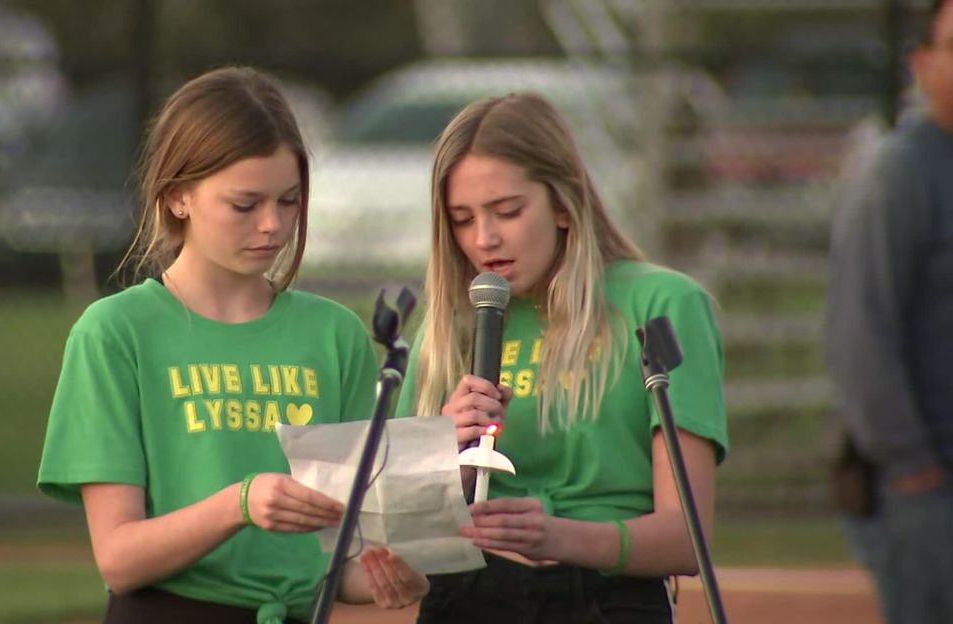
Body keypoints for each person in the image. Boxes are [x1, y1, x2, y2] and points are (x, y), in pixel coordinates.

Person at [37, 66, 428, 624]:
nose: (272, 225)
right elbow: (119, 559)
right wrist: (238, 504)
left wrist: (397, 574)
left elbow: (341, 560)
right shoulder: (115, 332)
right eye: (245, 205)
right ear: (178, 199)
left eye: (289, 201)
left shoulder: (335, 334)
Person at [394, 92, 728, 623]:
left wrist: (558, 537)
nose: (485, 238)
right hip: (469, 594)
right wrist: (443, 453)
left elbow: (685, 538)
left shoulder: (661, 305)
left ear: (564, 204)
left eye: (508, 210)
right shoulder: (448, 326)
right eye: (461, 219)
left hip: (607, 596)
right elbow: (400, 535)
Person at [825, 1, 953, 622]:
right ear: (922, 64)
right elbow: (859, 332)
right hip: (928, 490)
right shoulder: (899, 172)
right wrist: (910, 465)